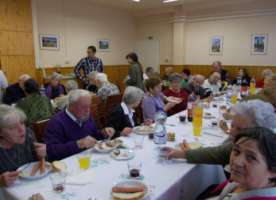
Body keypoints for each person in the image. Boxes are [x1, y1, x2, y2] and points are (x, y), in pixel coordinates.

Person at [167, 100, 276, 165]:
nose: (231, 132)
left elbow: (217, 154)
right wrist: (183, 154)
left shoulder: (265, 157)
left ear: (262, 132)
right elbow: (219, 152)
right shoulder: (245, 144)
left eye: (240, 129)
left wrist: (184, 154)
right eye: (232, 125)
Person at [201, 127, 276, 199]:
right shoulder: (243, 181)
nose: (237, 162)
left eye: (251, 157)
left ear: (273, 171)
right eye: (237, 151)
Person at [44, 89, 115, 161]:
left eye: (89, 106)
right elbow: (51, 151)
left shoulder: (85, 115)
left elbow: (93, 135)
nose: (87, 110)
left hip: (89, 158)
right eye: (83, 107)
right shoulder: (56, 122)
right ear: (71, 106)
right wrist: (78, 144)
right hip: (70, 165)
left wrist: (103, 133)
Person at [0, 105, 46, 187]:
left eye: (22, 123)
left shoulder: (28, 134)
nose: (21, 130)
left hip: (34, 186)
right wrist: (0, 181)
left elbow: (39, 166)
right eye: (13, 127)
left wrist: (41, 156)